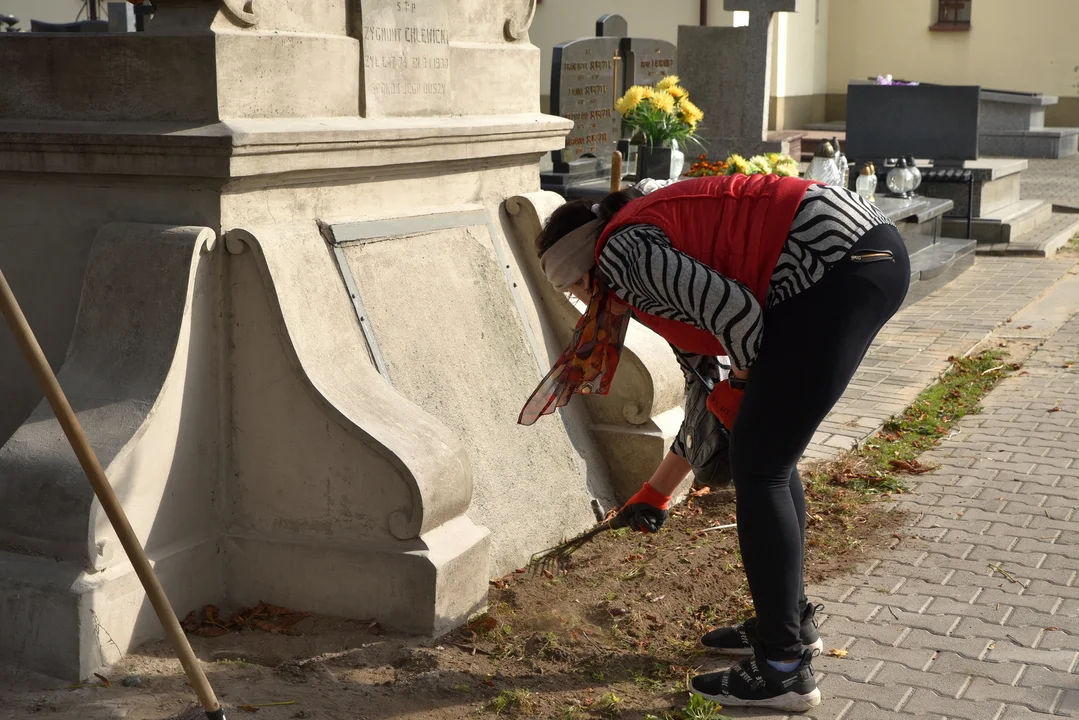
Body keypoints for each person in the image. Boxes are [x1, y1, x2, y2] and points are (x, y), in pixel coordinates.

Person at [518, 173, 909, 712]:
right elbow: (706, 389)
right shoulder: (641, 254)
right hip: (855, 257)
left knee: (762, 466)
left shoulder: (625, 257)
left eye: (570, 288)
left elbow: (740, 317)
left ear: (582, 267)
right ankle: (789, 624)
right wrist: (657, 492)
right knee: (769, 456)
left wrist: (746, 385)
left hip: (837, 265)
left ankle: (783, 669)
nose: (577, 301)